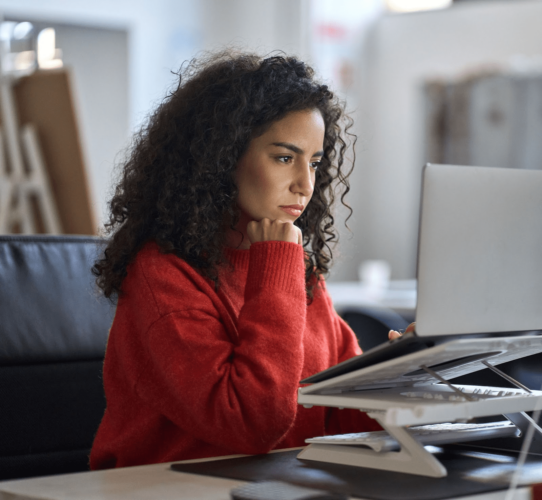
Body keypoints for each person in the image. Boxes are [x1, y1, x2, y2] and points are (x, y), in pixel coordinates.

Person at [89, 51, 389, 470]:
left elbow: (335, 414)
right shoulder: (161, 275)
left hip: (280, 482)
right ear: (222, 158)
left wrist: (399, 378)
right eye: (284, 158)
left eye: (315, 163)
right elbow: (251, 423)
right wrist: (277, 267)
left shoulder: (295, 271)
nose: (305, 184)